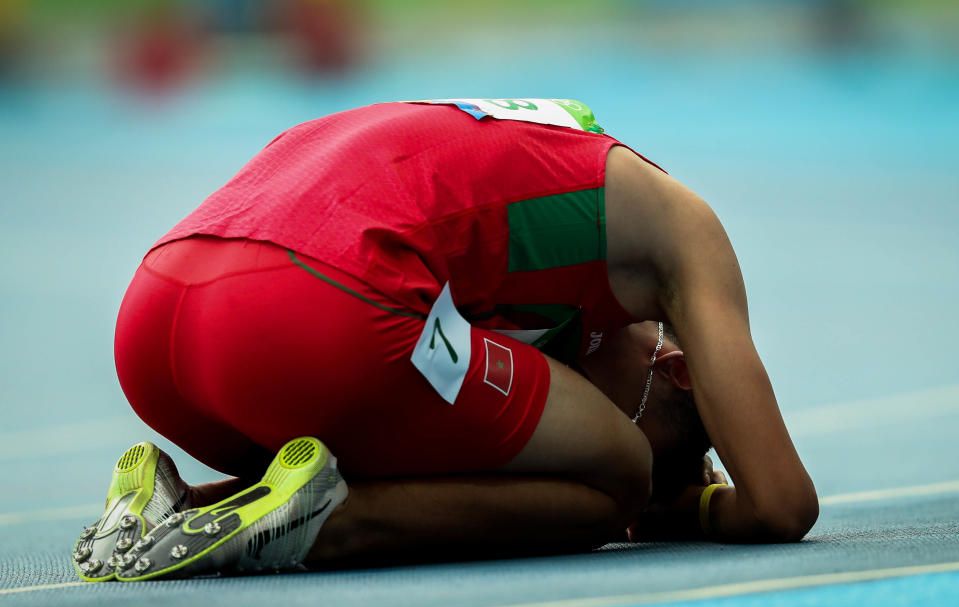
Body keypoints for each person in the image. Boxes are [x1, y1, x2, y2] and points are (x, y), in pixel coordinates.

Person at [71, 99, 818, 582]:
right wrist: (661, 503)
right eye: (638, 417)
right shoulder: (682, 230)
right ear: (677, 366)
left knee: (427, 414)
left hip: (157, 318)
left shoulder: (551, 162)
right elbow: (783, 504)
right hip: (306, 305)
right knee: (609, 476)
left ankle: (174, 506)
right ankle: (329, 526)